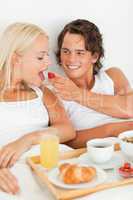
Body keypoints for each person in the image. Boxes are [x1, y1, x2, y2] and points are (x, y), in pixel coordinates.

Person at [0, 22, 75, 195]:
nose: (48, 63)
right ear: (15, 57)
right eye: (40, 57)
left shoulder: (42, 92)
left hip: (56, 165)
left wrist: (28, 139)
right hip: (14, 172)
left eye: (47, 56)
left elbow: (68, 130)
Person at [49, 19, 133, 148]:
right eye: (66, 51)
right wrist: (112, 130)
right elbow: (67, 140)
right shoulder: (53, 92)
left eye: (80, 52)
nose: (71, 59)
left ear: (94, 56)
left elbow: (129, 109)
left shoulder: (112, 76)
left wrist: (77, 94)